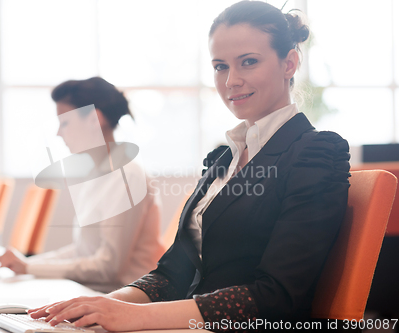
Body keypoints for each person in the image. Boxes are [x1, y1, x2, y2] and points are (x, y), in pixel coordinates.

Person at [27, 1, 350, 331]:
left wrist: (134, 316)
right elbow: (170, 275)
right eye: (220, 66)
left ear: (289, 64)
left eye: (248, 62)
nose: (231, 80)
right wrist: (102, 305)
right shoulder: (224, 157)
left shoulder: (316, 152)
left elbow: (275, 297)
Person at [0, 77, 165, 292]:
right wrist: (25, 264)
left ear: (95, 120)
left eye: (65, 122)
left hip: (124, 299)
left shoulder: (127, 175)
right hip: (96, 292)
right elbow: (82, 251)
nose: (58, 133)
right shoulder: (96, 174)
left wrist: (30, 267)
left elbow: (108, 268)